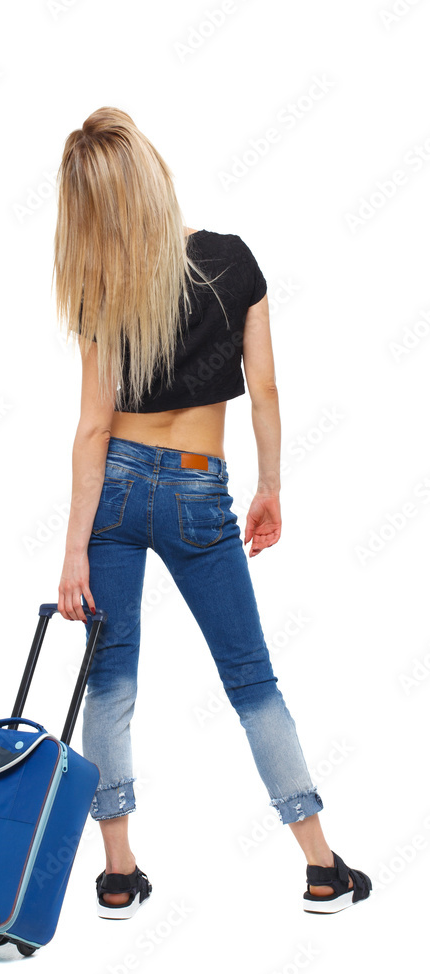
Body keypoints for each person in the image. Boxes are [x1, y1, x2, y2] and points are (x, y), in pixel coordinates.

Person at [53, 107, 372, 918]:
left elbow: (93, 428)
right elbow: (265, 390)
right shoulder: (232, 260)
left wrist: (74, 551)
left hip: (117, 489)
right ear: (152, 172)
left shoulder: (100, 286)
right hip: (199, 488)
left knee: (110, 681)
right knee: (250, 678)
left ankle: (117, 875)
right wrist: (270, 486)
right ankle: (321, 869)